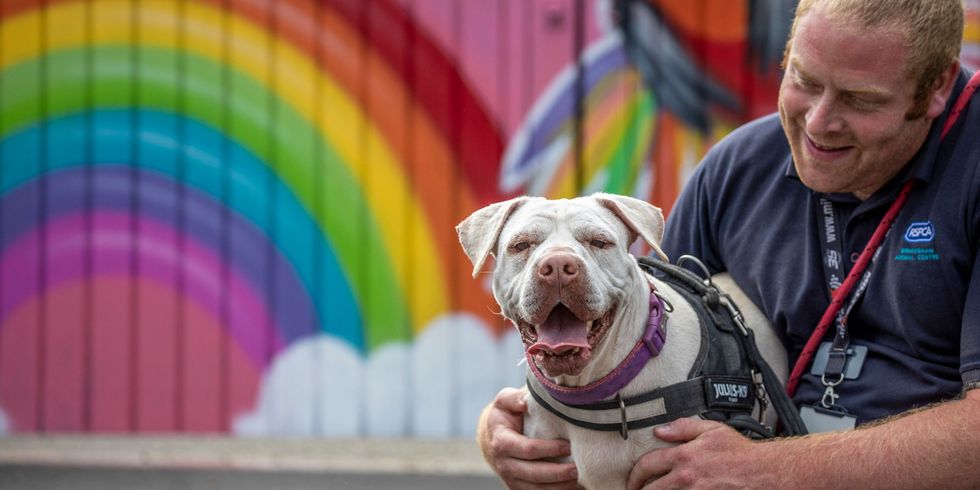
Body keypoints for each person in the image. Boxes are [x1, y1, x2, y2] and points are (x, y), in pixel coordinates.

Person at [476, 0, 980, 488]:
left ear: (936, 86)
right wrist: (512, 424)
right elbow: (630, 336)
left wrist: (773, 470)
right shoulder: (737, 167)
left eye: (860, 99)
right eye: (803, 80)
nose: (818, 123)